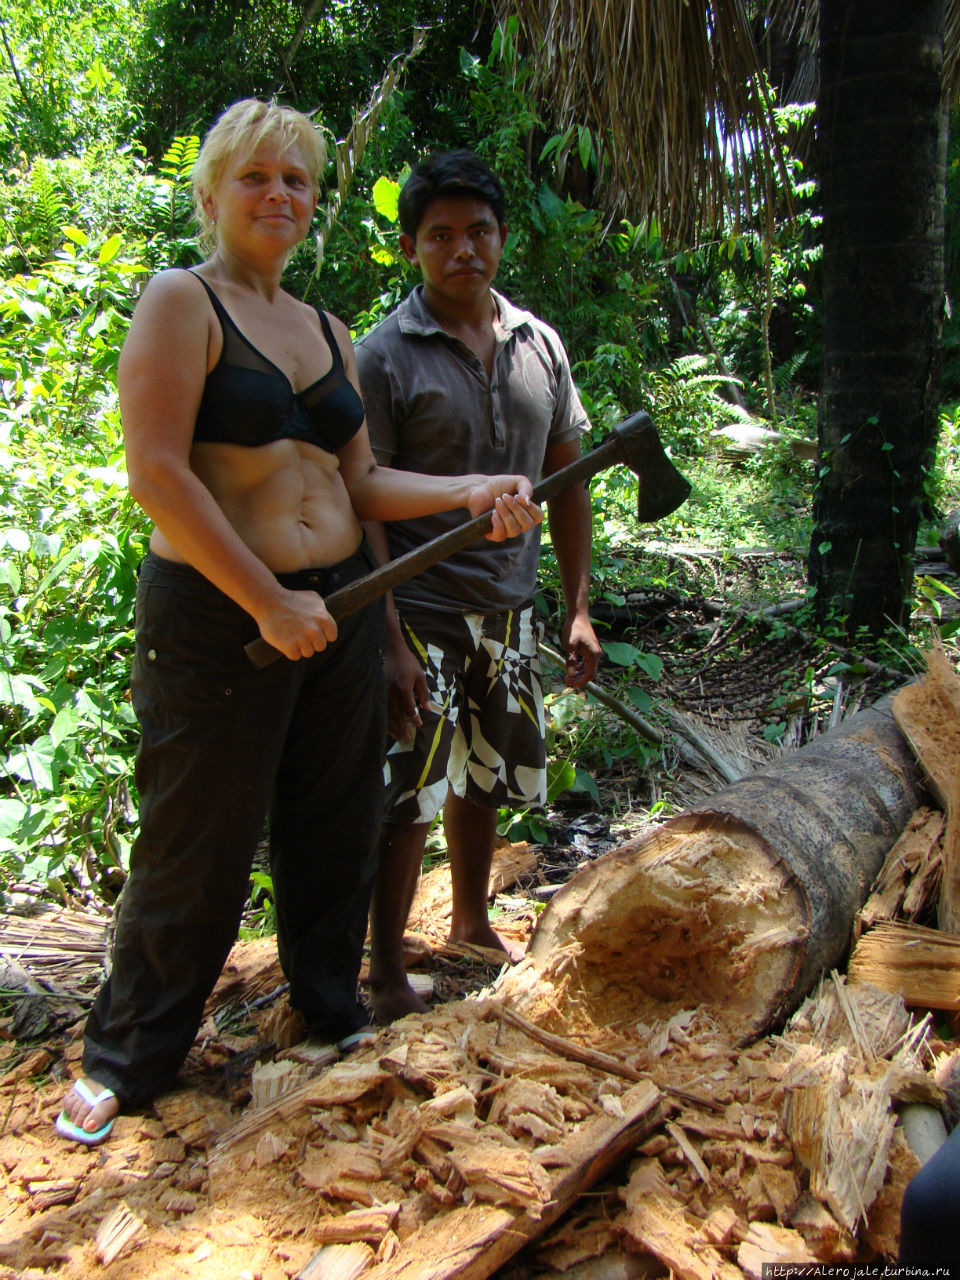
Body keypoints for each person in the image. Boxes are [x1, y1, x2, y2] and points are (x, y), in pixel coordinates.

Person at [56, 103, 541, 1145]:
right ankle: (126, 1053)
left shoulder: (323, 328)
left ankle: (328, 1010)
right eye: (257, 176)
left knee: (334, 825)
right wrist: (266, 599)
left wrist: (466, 491)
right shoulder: (181, 302)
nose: (281, 193)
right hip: (222, 616)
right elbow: (159, 473)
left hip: (339, 611)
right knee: (198, 836)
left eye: (299, 179)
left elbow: (359, 479)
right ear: (212, 193)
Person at [356, 150, 602, 1025]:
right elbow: (363, 497)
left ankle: (469, 923)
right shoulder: (383, 354)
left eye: (479, 232)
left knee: (485, 772)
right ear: (414, 248)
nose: (464, 250)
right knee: (409, 784)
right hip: (417, 607)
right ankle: (384, 967)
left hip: (509, 605)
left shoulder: (541, 345)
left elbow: (569, 480)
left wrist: (574, 608)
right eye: (441, 236)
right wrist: (385, 635)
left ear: (502, 238)